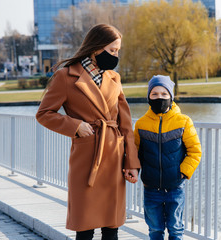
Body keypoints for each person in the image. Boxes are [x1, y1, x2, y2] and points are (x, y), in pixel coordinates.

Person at [36, 24, 140, 240]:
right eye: (112, 50)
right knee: (84, 229)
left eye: (118, 51)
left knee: (112, 229)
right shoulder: (66, 77)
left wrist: (131, 162)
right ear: (96, 48)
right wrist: (75, 126)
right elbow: (44, 113)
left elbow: (126, 124)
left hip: (113, 158)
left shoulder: (114, 78)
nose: (116, 55)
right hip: (86, 160)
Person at [133, 75, 202, 240]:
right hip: (151, 188)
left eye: (164, 94)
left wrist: (183, 173)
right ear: (148, 97)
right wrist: (135, 170)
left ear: (171, 96)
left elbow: (195, 151)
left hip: (175, 188)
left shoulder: (183, 122)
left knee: (176, 229)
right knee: (155, 230)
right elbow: (135, 152)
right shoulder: (141, 124)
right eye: (154, 94)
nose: (159, 98)